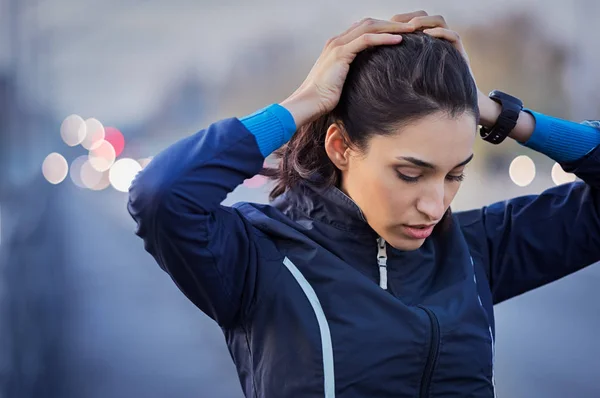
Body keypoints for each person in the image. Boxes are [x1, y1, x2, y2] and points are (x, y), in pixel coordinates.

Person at [127, 11, 600, 397]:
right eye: (410, 174)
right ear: (340, 147)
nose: (435, 205)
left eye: (454, 174)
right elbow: (163, 194)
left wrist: (500, 114)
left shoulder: (475, 249)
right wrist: (303, 102)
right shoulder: (263, 259)